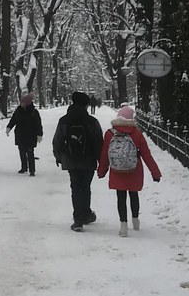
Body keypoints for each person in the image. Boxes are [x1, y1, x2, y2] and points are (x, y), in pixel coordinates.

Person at [97, 105, 162, 237]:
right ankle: (135, 220)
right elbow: (146, 155)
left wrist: (101, 171)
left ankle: (123, 225)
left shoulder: (110, 134)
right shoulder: (137, 133)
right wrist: (155, 173)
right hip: (134, 170)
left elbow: (104, 154)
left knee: (120, 197)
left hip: (117, 170)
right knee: (134, 195)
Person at [53, 90, 105, 231]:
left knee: (75, 188)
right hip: (88, 160)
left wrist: (58, 156)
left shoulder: (64, 121)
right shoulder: (92, 122)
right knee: (85, 187)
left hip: (71, 159)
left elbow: (57, 140)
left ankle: (78, 219)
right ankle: (86, 213)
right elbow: (99, 142)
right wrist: (102, 161)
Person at [6, 93, 43, 176]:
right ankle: (24, 167)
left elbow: (38, 124)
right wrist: (9, 127)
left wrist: (39, 134)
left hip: (31, 135)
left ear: (27, 103)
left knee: (30, 152)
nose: (21, 103)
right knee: (22, 151)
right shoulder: (18, 111)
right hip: (20, 134)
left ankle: (32, 170)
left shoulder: (34, 112)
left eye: (22, 102)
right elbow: (13, 120)